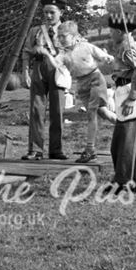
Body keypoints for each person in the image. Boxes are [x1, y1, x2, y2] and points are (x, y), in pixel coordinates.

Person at [106, 15, 136, 195]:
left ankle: (123, 182)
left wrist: (133, 97)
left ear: (119, 32)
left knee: (123, 143)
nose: (110, 34)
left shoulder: (128, 48)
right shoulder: (133, 46)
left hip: (130, 93)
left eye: (112, 31)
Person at [54, 20, 114, 164]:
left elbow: (103, 56)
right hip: (81, 84)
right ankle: (124, 125)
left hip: (95, 79)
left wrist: (107, 58)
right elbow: (55, 63)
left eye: (64, 36)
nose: (61, 39)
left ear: (74, 36)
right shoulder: (63, 54)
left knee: (91, 114)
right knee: (104, 113)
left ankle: (90, 149)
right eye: (59, 36)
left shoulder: (86, 47)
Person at [20, 1, 68, 161]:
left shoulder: (67, 30)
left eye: (52, 12)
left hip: (58, 70)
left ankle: (56, 150)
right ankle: (35, 149)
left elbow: (75, 51)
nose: (48, 16)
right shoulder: (35, 30)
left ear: (60, 12)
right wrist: (25, 72)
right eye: (45, 12)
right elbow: (26, 52)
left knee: (57, 110)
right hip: (39, 68)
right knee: (36, 110)